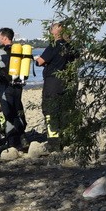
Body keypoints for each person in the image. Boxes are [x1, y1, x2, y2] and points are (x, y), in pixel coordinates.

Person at [35, 22, 76, 151]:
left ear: (54, 32)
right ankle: (66, 139)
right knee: (65, 109)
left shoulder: (53, 46)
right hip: (68, 81)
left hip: (53, 82)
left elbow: (40, 62)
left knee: (50, 110)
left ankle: (54, 143)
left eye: (51, 29)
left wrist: (36, 59)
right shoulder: (71, 46)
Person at [0, 27, 27, 150]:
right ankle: (20, 138)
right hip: (19, 85)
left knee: (8, 113)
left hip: (5, 86)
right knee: (16, 109)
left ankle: (14, 141)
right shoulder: (19, 50)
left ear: (4, 37)